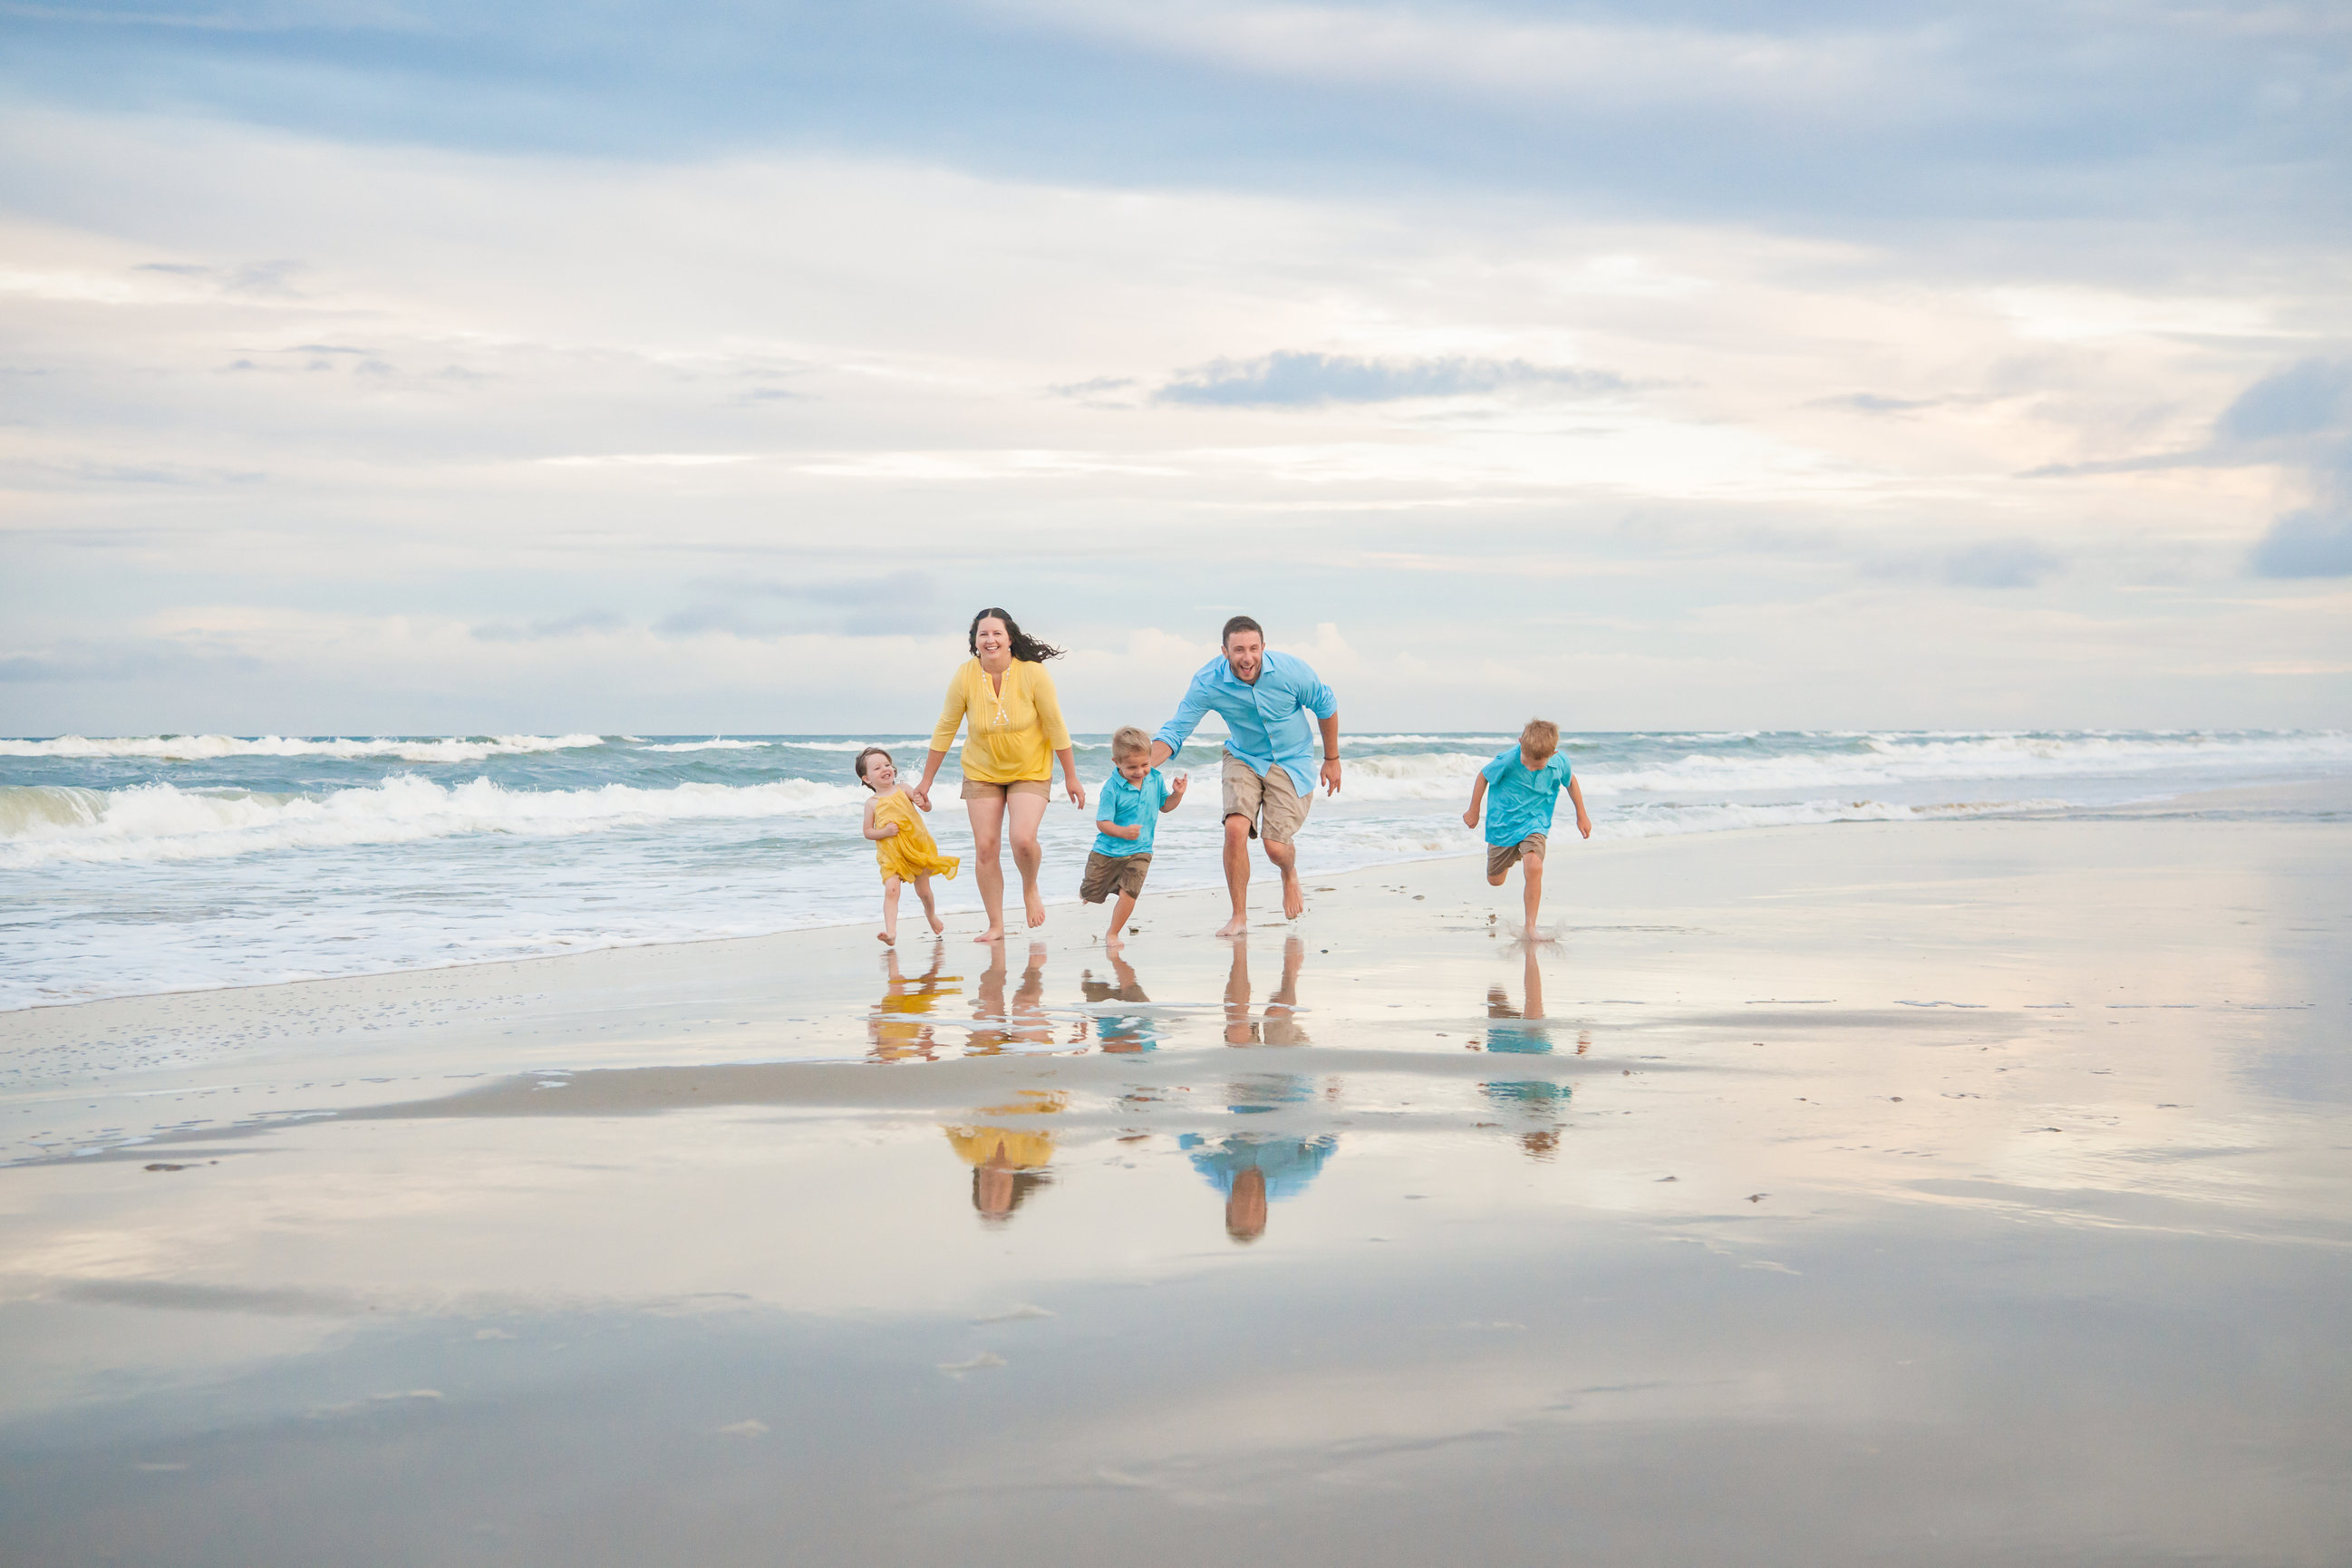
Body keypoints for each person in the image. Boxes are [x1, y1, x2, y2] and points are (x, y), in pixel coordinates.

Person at [1147, 615, 1340, 936]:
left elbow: (1326, 705)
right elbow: (1176, 730)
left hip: (1292, 760)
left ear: (1263, 647)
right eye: (1238, 650)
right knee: (1235, 829)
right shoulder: (1208, 681)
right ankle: (1239, 917)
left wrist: (1332, 759)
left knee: (1275, 848)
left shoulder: (1292, 672)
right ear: (1224, 651)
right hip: (1243, 757)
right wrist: (1143, 768)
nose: (1247, 657)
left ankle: (1289, 872)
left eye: (1253, 648)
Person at [913, 609, 1086, 943]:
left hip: (1030, 769)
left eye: (996, 633)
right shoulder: (964, 676)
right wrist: (926, 781)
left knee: (1022, 840)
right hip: (982, 771)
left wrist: (1071, 777)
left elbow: (1055, 725)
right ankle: (996, 925)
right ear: (975, 641)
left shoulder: (1033, 674)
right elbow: (946, 727)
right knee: (985, 848)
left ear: (1009, 639)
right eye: (983, 634)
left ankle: (1030, 887)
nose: (990, 640)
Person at [1462, 718, 1592, 939]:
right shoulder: (1507, 760)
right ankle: (1515, 853)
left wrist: (1581, 814)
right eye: (1527, 762)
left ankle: (1530, 927)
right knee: (1495, 881)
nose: (1531, 767)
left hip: (1535, 823)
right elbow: (1483, 776)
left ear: (1553, 754)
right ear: (1520, 742)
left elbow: (1570, 782)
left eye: (1537, 765)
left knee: (1534, 866)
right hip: (1503, 826)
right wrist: (1474, 809)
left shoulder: (1560, 762)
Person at [1082, 725, 1188, 944]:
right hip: (1107, 851)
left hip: (1141, 850)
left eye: (1144, 764)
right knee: (1091, 892)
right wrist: (1121, 831)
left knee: (1129, 893)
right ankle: (1090, 892)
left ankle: (1113, 933)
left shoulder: (1155, 779)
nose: (1140, 771)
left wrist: (1177, 795)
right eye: (1132, 767)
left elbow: (1165, 806)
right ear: (1117, 762)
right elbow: (1102, 822)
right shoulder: (1111, 788)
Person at [856, 746, 957, 946]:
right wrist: (884, 832)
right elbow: (867, 832)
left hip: (916, 849)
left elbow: (926, 807)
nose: (885, 769)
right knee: (892, 889)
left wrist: (924, 802)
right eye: (877, 768)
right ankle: (891, 933)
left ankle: (931, 915)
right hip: (891, 854)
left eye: (887, 764)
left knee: (924, 892)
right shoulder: (871, 803)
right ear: (867, 779)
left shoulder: (903, 789)